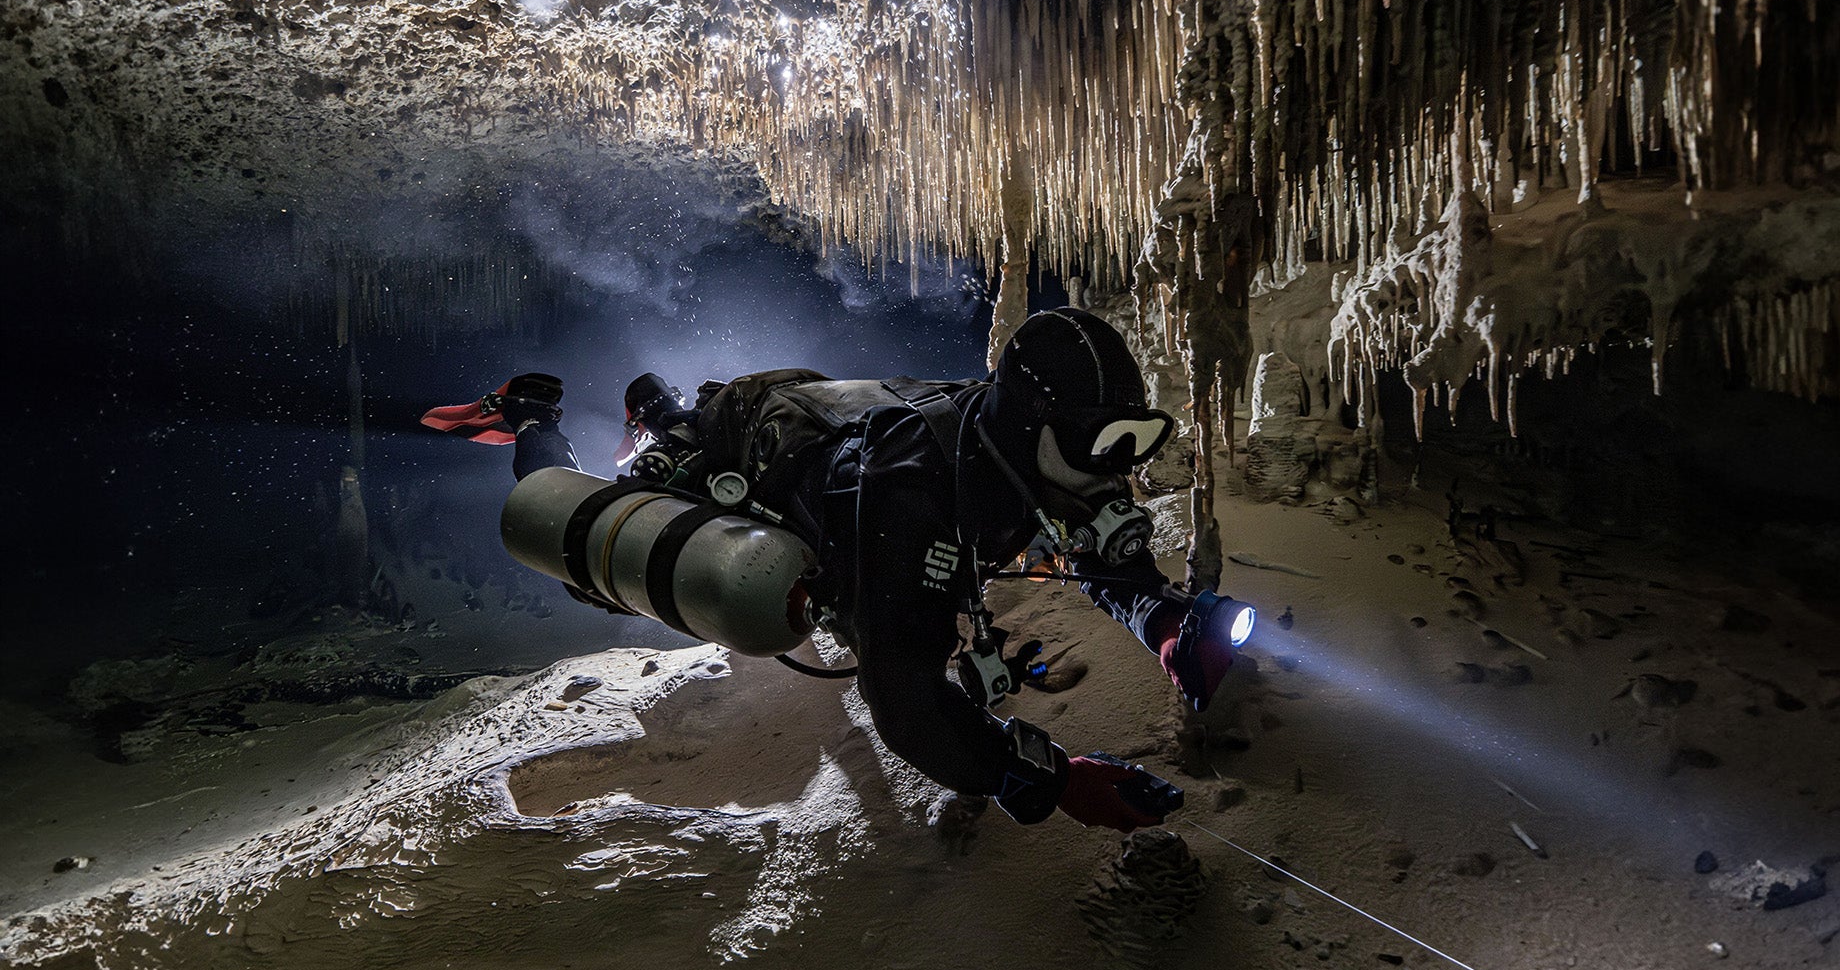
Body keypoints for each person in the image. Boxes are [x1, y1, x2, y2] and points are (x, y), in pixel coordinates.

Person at [424, 311, 1251, 833]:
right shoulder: (912, 507)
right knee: (589, 553)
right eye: (1103, 446)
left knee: (676, 434)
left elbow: (1098, 542)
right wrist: (1050, 779)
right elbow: (904, 703)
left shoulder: (1021, 448)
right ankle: (534, 418)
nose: (1120, 470)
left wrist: (1166, 623)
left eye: (1135, 441)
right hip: (751, 437)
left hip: (808, 410)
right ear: (1037, 424)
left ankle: (659, 407)